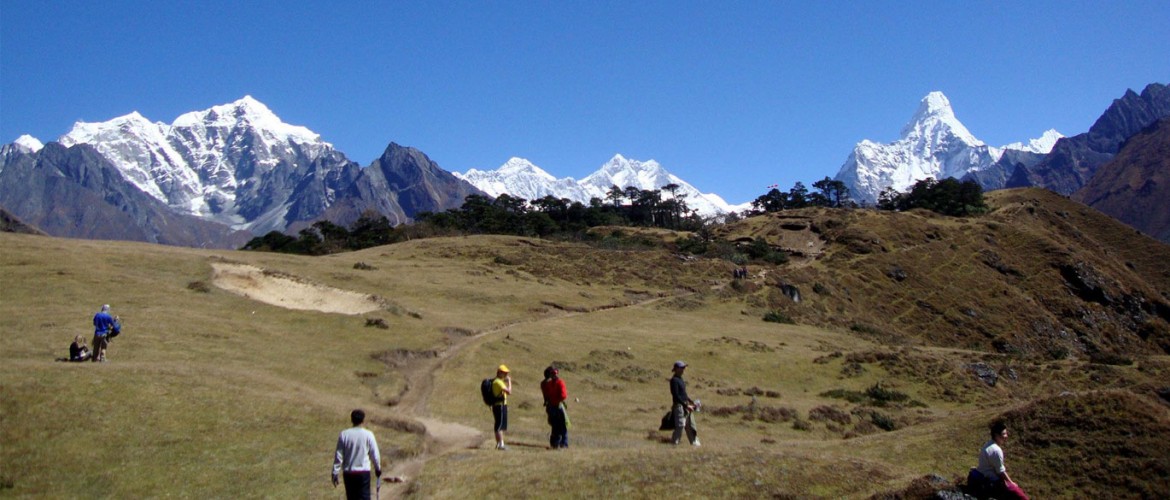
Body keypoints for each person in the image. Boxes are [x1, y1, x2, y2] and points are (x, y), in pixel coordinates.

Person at [967, 421, 1029, 499]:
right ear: (996, 435)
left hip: (982, 475)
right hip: (991, 480)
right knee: (1020, 495)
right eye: (1004, 434)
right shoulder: (996, 450)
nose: (1006, 436)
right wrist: (1012, 483)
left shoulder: (987, 444)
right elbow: (1000, 471)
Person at [332, 409, 382, 500]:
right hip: (363, 473)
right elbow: (374, 454)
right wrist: (377, 468)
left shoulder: (344, 434)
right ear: (363, 420)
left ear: (352, 420)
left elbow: (339, 455)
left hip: (349, 473)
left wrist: (335, 472)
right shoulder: (368, 434)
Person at [669, 360, 700, 446]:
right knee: (680, 426)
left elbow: (683, 394)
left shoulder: (680, 379)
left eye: (683, 368)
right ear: (676, 369)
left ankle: (695, 444)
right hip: (679, 406)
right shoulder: (674, 380)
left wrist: (691, 402)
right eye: (681, 368)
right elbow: (676, 395)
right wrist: (686, 405)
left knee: (691, 426)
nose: (683, 369)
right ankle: (674, 444)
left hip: (686, 405)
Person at [541, 365, 569, 449]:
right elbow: (563, 395)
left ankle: (555, 443)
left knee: (555, 426)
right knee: (563, 427)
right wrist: (558, 400)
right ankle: (563, 444)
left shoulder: (546, 384)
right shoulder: (560, 382)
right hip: (558, 407)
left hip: (551, 407)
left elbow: (547, 396)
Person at [491, 365, 513, 450]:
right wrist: (509, 382)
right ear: (499, 372)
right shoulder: (498, 382)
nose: (506, 375)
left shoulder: (498, 381)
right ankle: (501, 444)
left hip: (499, 405)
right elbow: (509, 392)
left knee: (499, 425)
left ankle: (500, 443)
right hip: (500, 405)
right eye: (504, 373)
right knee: (499, 425)